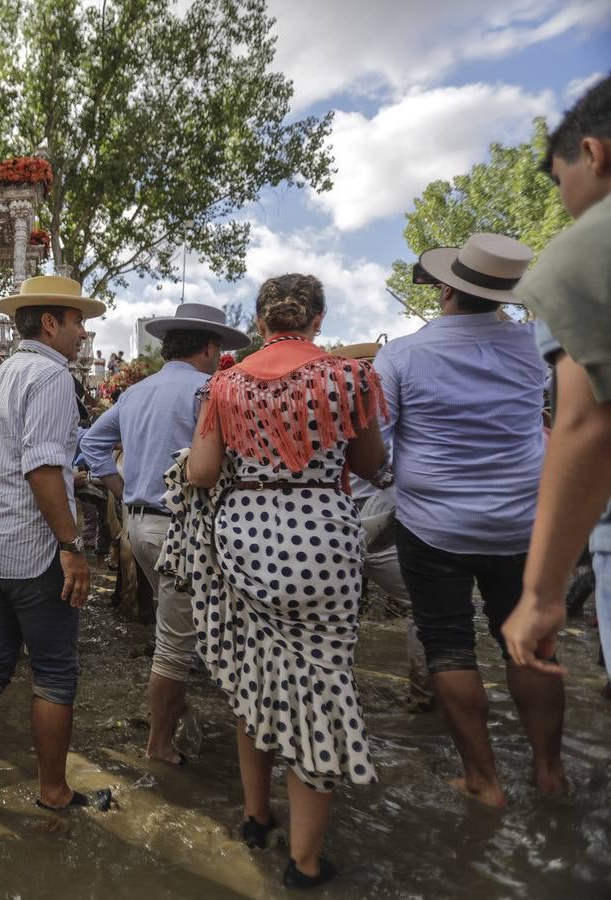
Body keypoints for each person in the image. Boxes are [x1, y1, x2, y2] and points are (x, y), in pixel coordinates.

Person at [176, 274, 386, 889]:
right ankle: (305, 863)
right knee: (320, 681)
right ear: (317, 319)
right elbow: (370, 464)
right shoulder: (349, 376)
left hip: (245, 540)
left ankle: (254, 816)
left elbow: (204, 471)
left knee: (256, 675)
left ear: (260, 323)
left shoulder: (225, 384)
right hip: (323, 539)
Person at [374, 233, 561, 809]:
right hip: (525, 523)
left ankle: (484, 780)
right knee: (533, 648)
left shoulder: (401, 355)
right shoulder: (540, 346)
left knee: (449, 646)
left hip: (435, 527)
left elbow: (378, 451)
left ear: (447, 288)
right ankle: (550, 772)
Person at [0, 274, 109, 810]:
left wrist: (5, 474)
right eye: (77, 321)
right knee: (56, 670)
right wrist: (72, 545)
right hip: (34, 550)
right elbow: (42, 468)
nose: (83, 332)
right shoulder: (50, 377)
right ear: (50, 322)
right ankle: (54, 791)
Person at [79, 301, 249, 766]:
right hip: (186, 528)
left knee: (178, 631)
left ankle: (181, 715)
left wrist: (119, 488)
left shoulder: (135, 393)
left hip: (139, 526)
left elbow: (91, 443)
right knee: (176, 644)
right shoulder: (209, 390)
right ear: (211, 348)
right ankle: (159, 744)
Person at [503, 75, 611, 685]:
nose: (569, 203)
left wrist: (543, 594)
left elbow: (586, 425)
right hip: (515, 521)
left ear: (593, 153)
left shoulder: (589, 248)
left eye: (561, 180)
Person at [329, 343, 433, 712]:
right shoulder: (383, 407)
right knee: (423, 603)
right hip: (381, 523)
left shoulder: (321, 404)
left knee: (329, 615)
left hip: (330, 524)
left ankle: (332, 699)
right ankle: (423, 697)